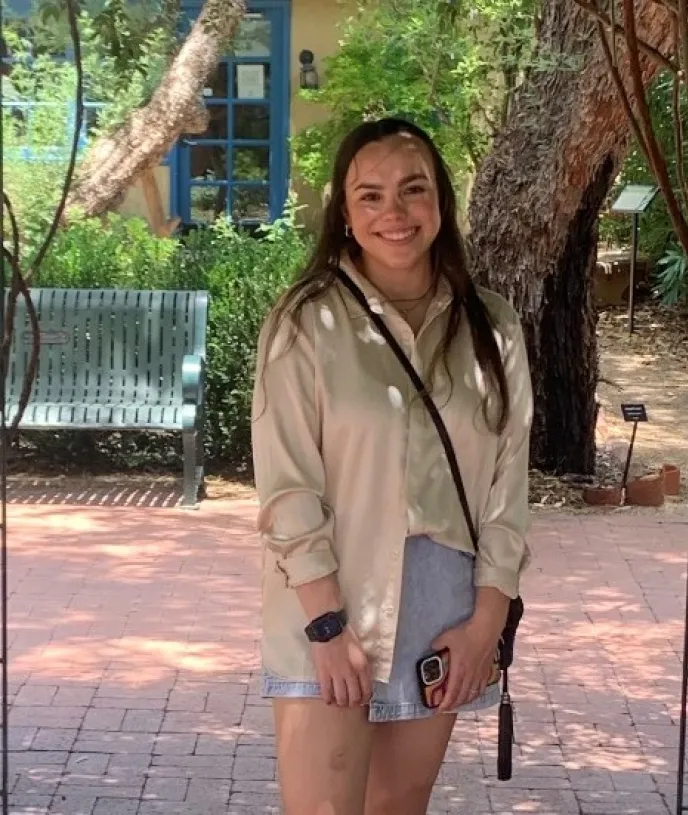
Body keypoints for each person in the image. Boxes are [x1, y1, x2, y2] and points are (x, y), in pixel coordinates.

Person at [251, 117, 533, 815]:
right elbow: (287, 488)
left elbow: (508, 493)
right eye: (369, 195)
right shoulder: (303, 322)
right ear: (344, 215)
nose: (394, 212)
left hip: (445, 610)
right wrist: (326, 626)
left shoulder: (493, 329)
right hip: (334, 601)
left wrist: (485, 627)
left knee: (399, 807)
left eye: (413, 188)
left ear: (441, 201)